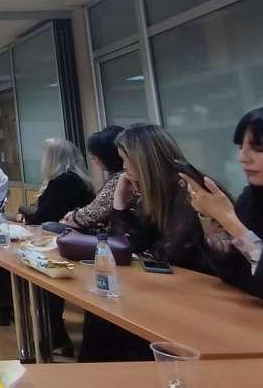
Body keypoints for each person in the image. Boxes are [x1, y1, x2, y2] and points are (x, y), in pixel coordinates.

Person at [79, 124, 210, 362]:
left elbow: (167, 254)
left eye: (125, 160)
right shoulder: (156, 192)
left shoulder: (191, 192)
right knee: (101, 309)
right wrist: (120, 202)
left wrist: (137, 247)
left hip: (198, 298)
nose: (124, 168)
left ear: (143, 161)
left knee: (111, 316)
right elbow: (127, 244)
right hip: (167, 289)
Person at [184, 104, 263, 311]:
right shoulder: (254, 197)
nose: (242, 158)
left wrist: (228, 219)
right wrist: (208, 217)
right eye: (240, 147)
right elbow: (234, 272)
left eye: (259, 148)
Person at [0, 139, 93, 353]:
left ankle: (0, 308)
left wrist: (24, 212)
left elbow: (44, 215)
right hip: (60, 238)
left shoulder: (63, 181)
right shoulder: (77, 180)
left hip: (53, 241)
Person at [61, 126, 126, 233]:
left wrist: (74, 216)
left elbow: (93, 213)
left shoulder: (121, 178)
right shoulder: (119, 176)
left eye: (95, 154)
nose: (92, 158)